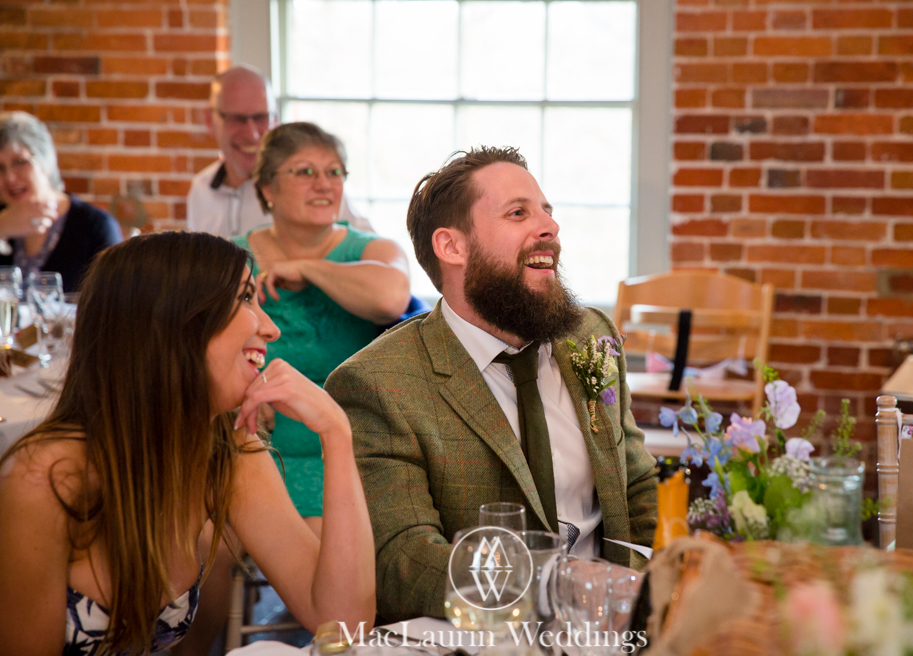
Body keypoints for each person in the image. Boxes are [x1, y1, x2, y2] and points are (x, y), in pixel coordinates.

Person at [324, 146, 659, 621]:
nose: (549, 227)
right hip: (484, 636)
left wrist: (647, 599)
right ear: (452, 247)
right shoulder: (378, 384)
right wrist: (553, 588)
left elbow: (638, 485)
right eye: (518, 213)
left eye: (547, 211)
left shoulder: (591, 337)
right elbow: (403, 562)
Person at [0, 232, 375, 654]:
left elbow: (343, 624)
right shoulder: (47, 478)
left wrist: (337, 434)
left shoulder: (227, 449)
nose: (270, 329)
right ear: (173, 323)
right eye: (246, 298)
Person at [234, 121, 411, 521]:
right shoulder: (231, 258)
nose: (324, 184)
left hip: (346, 446)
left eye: (334, 172)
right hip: (252, 437)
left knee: (318, 551)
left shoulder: (374, 249)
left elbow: (390, 298)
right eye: (305, 172)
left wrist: (309, 268)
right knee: (202, 536)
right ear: (267, 189)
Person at [187, 65, 373, 238]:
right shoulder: (200, 190)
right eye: (237, 119)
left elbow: (370, 248)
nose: (251, 134)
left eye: (261, 118)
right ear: (210, 120)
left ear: (275, 119)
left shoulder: (301, 185)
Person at [0, 111, 123, 293]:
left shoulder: (95, 226)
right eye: (0, 167)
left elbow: (115, 306)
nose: (9, 177)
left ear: (46, 162)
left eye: (20, 162)